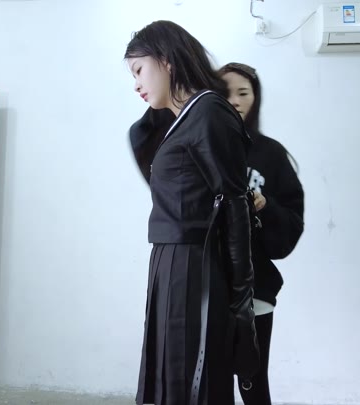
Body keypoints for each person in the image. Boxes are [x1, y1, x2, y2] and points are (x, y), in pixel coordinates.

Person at [125, 21, 259, 405]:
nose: (136, 84)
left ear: (166, 60)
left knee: (191, 384)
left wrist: (241, 305)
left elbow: (234, 207)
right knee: (173, 382)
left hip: (193, 268)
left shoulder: (209, 113)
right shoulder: (185, 118)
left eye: (139, 70)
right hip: (172, 264)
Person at [219, 62, 305, 405]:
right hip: (206, 283)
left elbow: (292, 224)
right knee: (209, 377)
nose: (235, 100)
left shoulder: (270, 153)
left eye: (244, 92)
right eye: (226, 92)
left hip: (255, 284)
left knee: (252, 378)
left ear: (256, 99)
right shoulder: (201, 147)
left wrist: (265, 206)